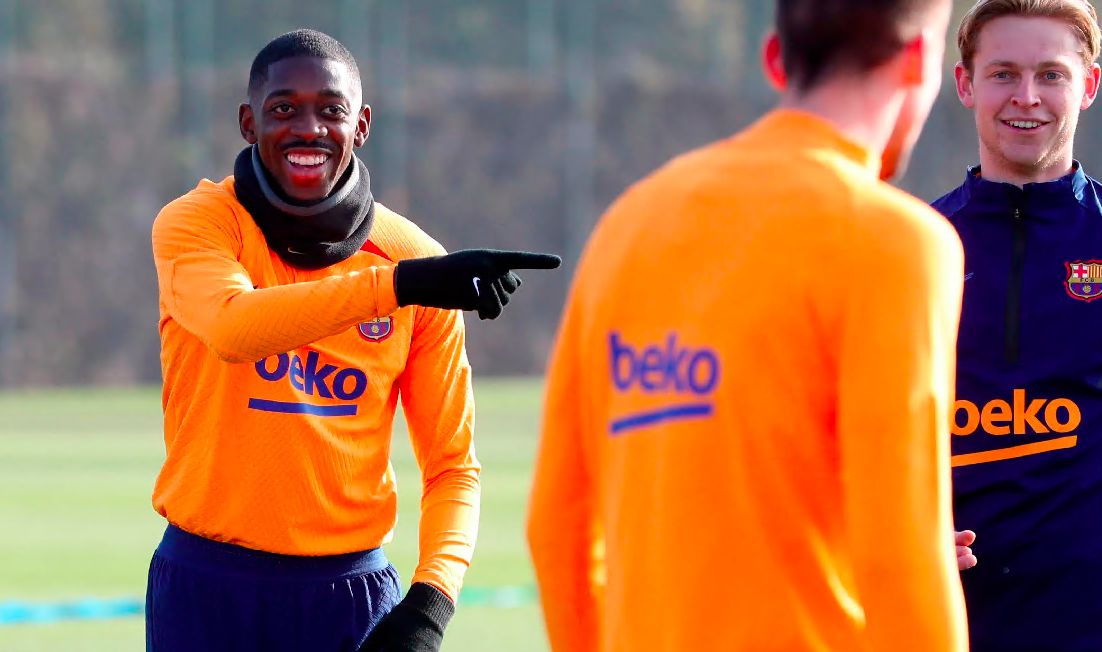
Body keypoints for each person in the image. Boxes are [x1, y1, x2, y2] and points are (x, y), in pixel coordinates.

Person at [526, 0, 969, 650]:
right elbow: (900, 552)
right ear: (920, 59)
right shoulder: (898, 242)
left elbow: (555, 526)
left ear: (775, 60)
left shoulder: (630, 223)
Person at [147, 29, 559, 652]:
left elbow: (453, 467)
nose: (307, 128)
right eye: (283, 109)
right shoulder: (200, 225)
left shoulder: (413, 258)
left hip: (348, 595)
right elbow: (236, 328)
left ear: (361, 124)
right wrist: (396, 286)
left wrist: (430, 608)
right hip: (207, 586)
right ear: (248, 123)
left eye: (331, 110)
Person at [932, 1, 1102, 649]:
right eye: (1003, 73)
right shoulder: (915, 247)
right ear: (966, 83)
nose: (1026, 97)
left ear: (1088, 86)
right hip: (944, 619)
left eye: (1051, 75)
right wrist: (896, 534)